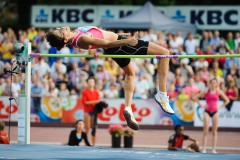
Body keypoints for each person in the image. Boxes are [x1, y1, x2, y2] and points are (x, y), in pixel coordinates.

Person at [45, 26, 174, 131]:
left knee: (130, 74)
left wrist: (119, 35)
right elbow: (106, 43)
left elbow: (100, 34)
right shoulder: (82, 39)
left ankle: (128, 107)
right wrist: (126, 41)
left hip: (117, 43)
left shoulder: (76, 34)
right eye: (61, 31)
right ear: (65, 39)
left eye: (59, 28)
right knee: (164, 53)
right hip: (119, 44)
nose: (62, 27)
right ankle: (162, 95)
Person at [194, 78, 229, 153]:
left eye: (214, 83)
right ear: (209, 84)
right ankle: (204, 148)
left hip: (215, 112)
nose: (213, 84)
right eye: (211, 83)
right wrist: (201, 105)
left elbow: (227, 100)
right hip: (207, 111)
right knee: (205, 131)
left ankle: (213, 148)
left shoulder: (218, 91)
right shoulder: (206, 91)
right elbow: (195, 97)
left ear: (217, 84)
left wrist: (220, 106)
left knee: (214, 131)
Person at [81, 77, 100, 146]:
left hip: (94, 112)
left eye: (92, 82)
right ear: (87, 83)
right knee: (87, 128)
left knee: (94, 128)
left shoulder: (96, 92)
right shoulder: (84, 91)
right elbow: (85, 102)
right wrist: (95, 102)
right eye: (90, 82)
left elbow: (98, 103)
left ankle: (94, 143)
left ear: (94, 83)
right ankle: (86, 143)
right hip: (87, 111)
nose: (91, 83)